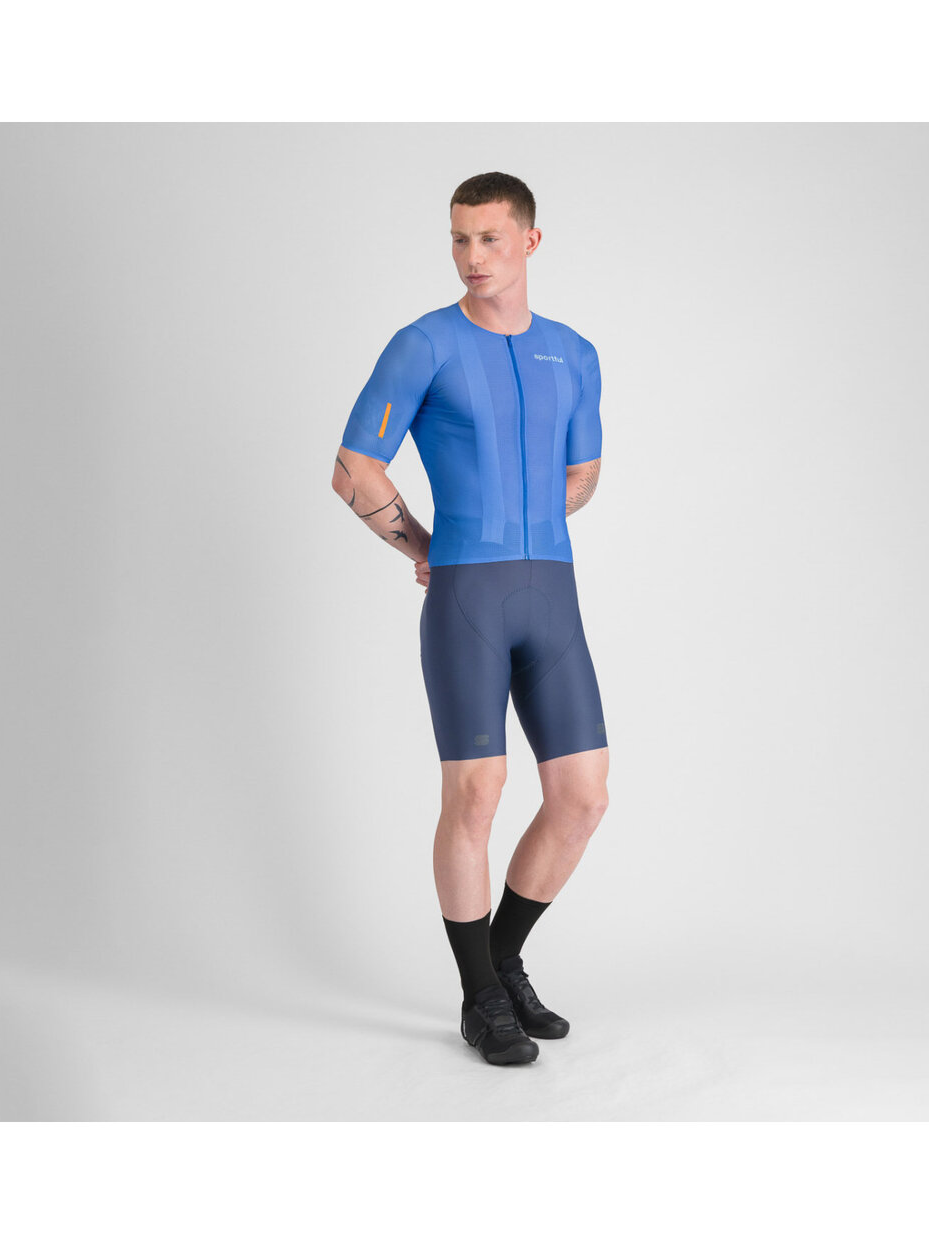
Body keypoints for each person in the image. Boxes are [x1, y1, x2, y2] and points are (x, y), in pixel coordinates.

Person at [332, 171, 609, 1066]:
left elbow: (582, 473)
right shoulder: (424, 344)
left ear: (530, 240)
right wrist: (423, 544)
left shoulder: (574, 351)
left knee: (582, 797)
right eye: (459, 238)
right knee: (477, 792)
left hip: (551, 590)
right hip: (467, 595)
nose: (472, 256)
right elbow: (353, 468)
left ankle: (501, 962)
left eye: (490, 238)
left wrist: (526, 520)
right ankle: (479, 997)